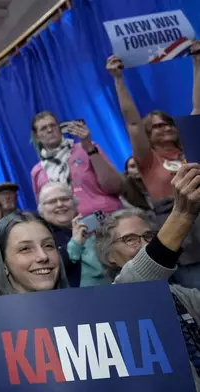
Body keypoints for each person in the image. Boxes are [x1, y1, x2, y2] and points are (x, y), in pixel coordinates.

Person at [95, 163, 200, 389]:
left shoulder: (183, 296)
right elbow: (136, 286)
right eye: (130, 239)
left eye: (148, 237)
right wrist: (181, 215)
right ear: (108, 256)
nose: (143, 246)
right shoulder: (110, 305)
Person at [0, 211, 70, 391]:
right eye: (25, 249)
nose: (42, 256)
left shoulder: (89, 320)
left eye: (48, 246)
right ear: (3, 265)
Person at [106, 42, 200, 203]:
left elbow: (198, 108)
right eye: (158, 126)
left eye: (169, 124)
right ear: (147, 132)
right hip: (173, 216)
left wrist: (197, 62)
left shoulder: (188, 149)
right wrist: (118, 79)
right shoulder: (147, 158)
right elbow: (133, 123)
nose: (167, 128)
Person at [30, 111, 123, 216]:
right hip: (73, 227)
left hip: (108, 216)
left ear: (60, 128)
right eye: (43, 128)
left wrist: (89, 149)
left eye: (53, 125)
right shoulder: (38, 171)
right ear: (37, 136)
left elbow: (115, 187)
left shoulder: (87, 147)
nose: (50, 130)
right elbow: (44, 211)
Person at [36, 183, 81, 287]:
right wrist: (76, 243)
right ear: (42, 210)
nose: (60, 204)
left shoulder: (90, 228)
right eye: (52, 201)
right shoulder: (40, 236)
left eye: (65, 199)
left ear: (74, 202)